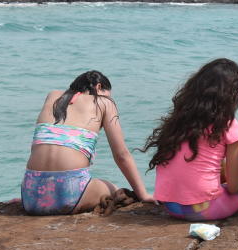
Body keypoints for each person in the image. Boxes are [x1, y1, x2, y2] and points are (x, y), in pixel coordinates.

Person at [145, 58, 238, 220]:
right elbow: (235, 188)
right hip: (204, 210)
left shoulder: (178, 120)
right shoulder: (229, 125)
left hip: (170, 207)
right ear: (233, 94)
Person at [21, 70, 152, 215]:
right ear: (98, 87)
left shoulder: (53, 96)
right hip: (70, 194)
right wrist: (144, 195)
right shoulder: (105, 103)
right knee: (116, 191)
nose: (109, 99)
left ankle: (43, 197)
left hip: (30, 194)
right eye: (108, 95)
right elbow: (121, 155)